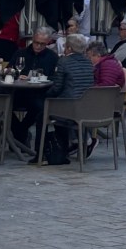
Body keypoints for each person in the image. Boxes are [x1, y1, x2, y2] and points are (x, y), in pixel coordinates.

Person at [35, 34, 95, 165]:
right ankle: (63, 150)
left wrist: (46, 95)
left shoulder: (64, 61)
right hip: (86, 107)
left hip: (69, 108)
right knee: (56, 111)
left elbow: (57, 88)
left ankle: (40, 154)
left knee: (42, 114)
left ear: (69, 48)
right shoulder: (88, 62)